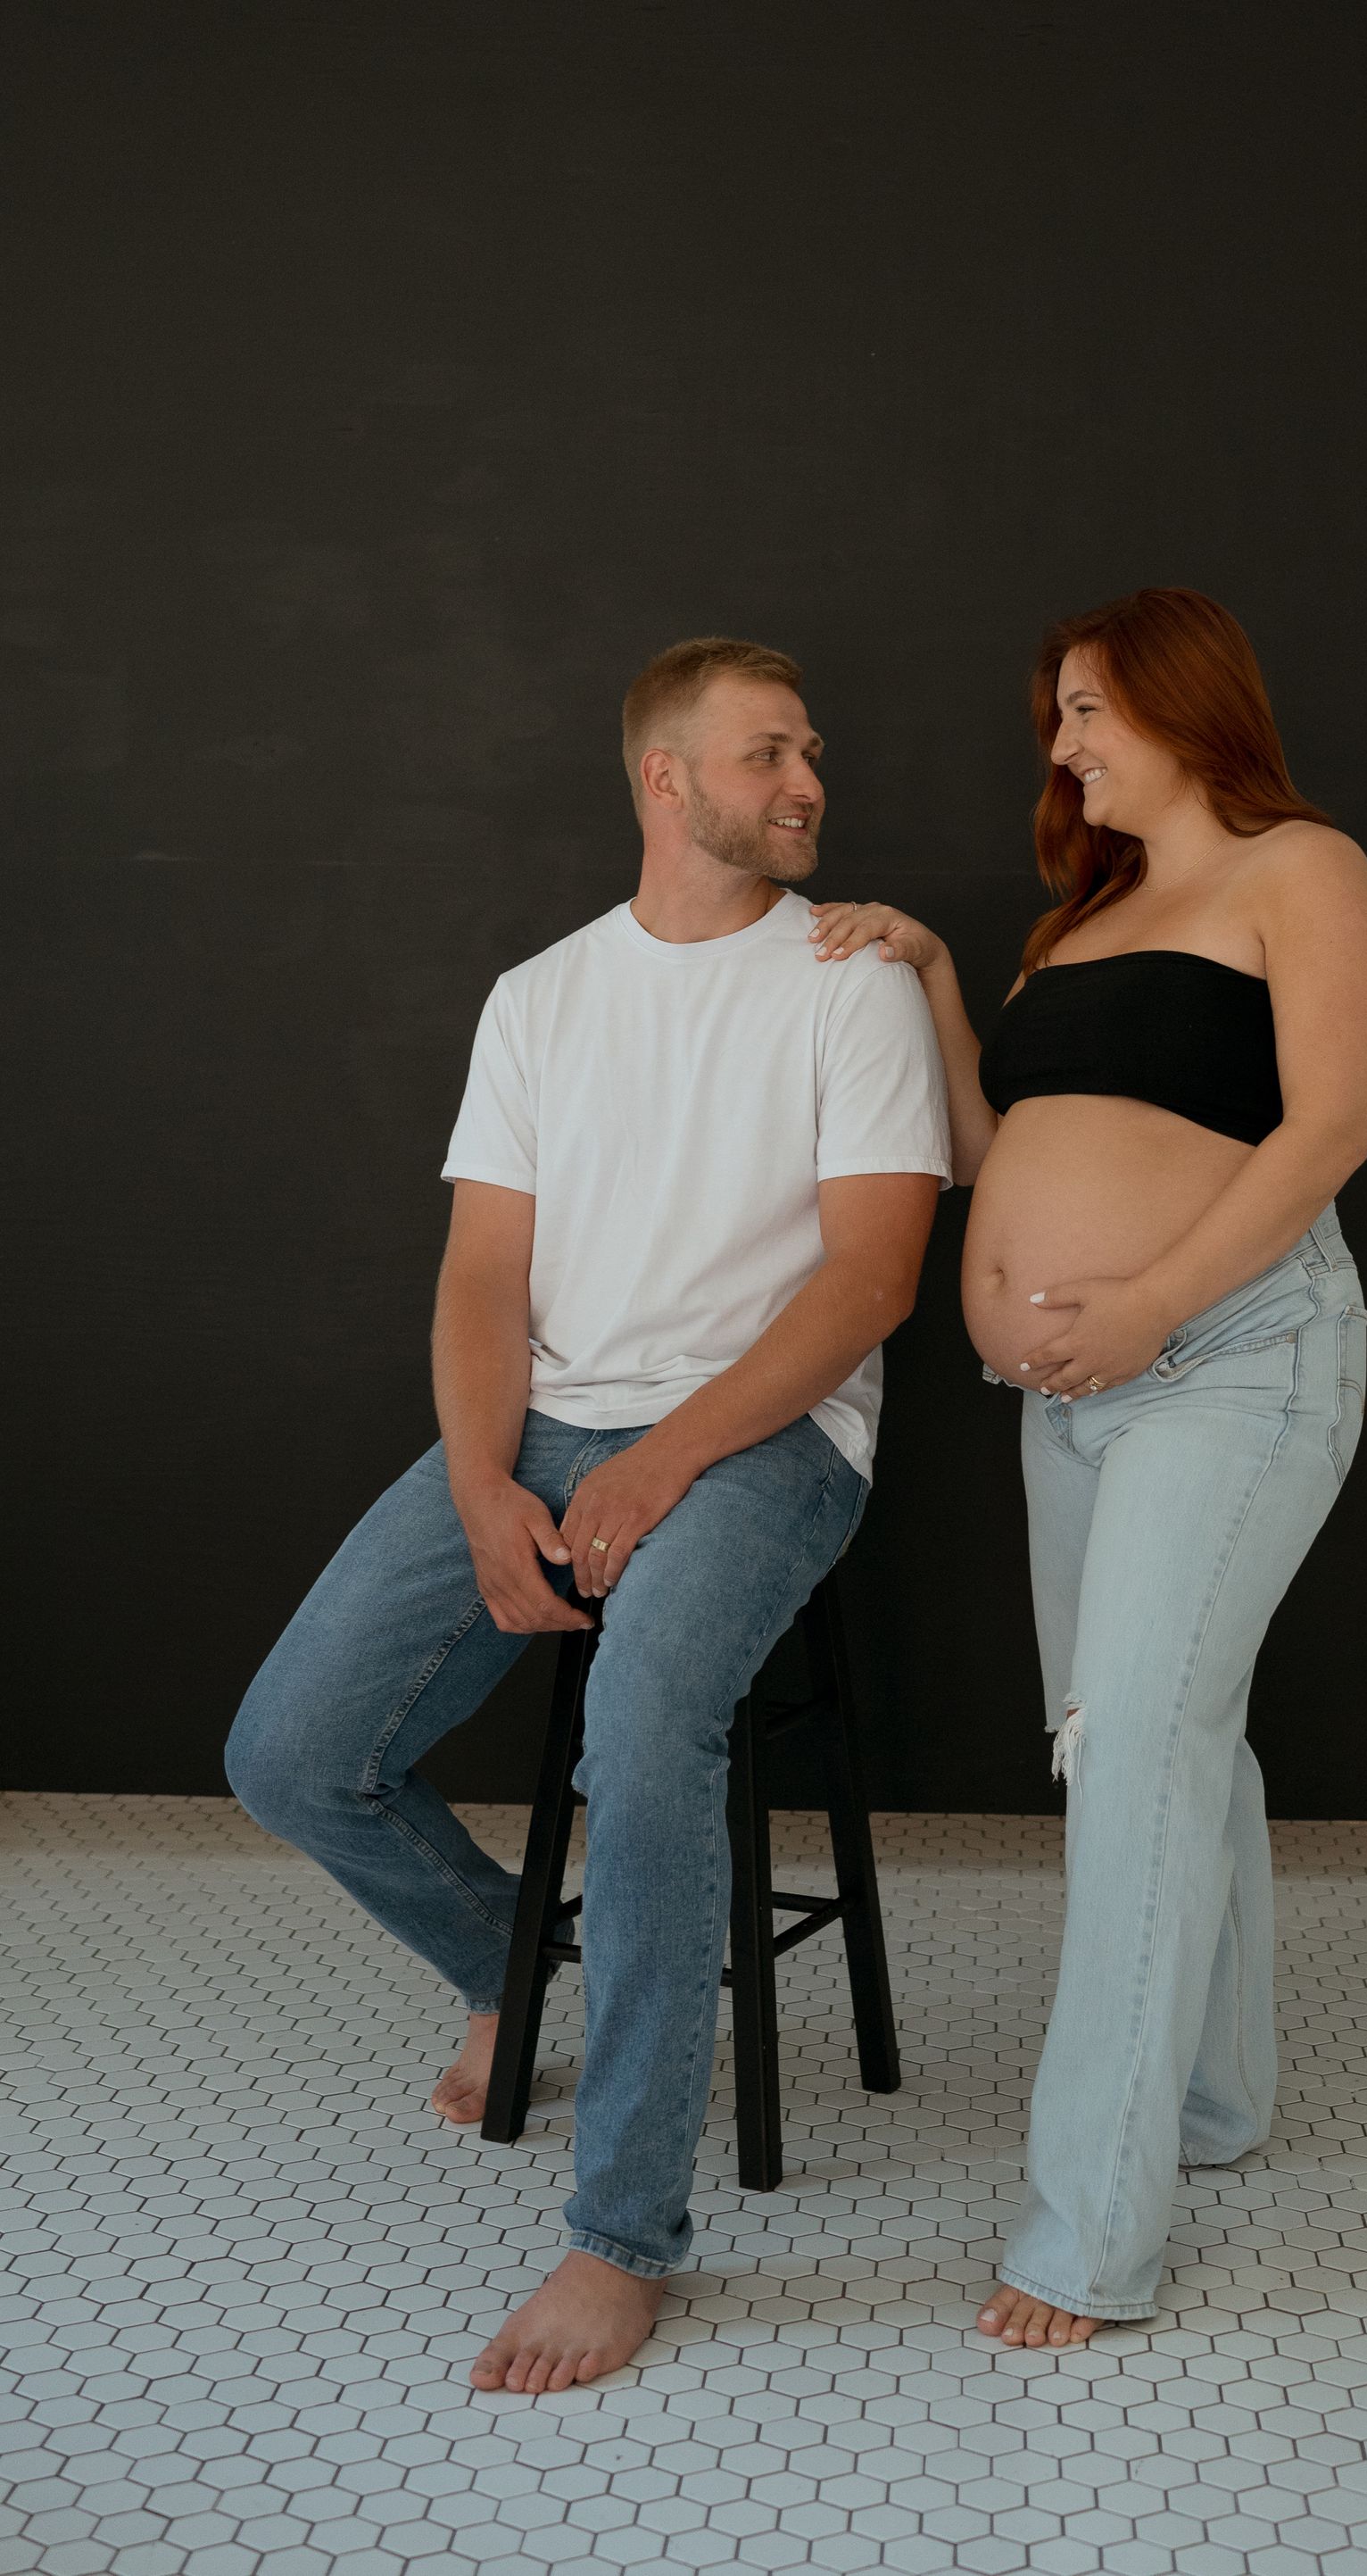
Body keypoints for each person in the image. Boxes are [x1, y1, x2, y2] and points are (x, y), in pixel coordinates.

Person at [226, 636, 951, 2394]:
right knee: (291, 1751)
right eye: (769, 754)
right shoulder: (540, 997)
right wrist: (486, 1481)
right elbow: (485, 1274)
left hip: (770, 1443)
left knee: (637, 1745)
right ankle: (510, 1971)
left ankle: (624, 2234)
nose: (807, 785)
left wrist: (665, 1457)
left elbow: (871, 1284)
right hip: (544, 1424)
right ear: (666, 781)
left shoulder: (848, 985)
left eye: (813, 756)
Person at [807, 586, 1367, 2349]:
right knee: (1137, 1741)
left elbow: (1331, 1130)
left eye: (1086, 708)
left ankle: (1085, 2238)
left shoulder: (1305, 871)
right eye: (1055, 717)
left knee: (1139, 1748)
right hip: (1069, 1393)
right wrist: (927, 979)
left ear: (1179, 701)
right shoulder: (1080, 923)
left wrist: (1144, 1302)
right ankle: (1214, 2101)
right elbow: (1005, 1150)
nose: (1062, 745)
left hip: (1233, 1355)